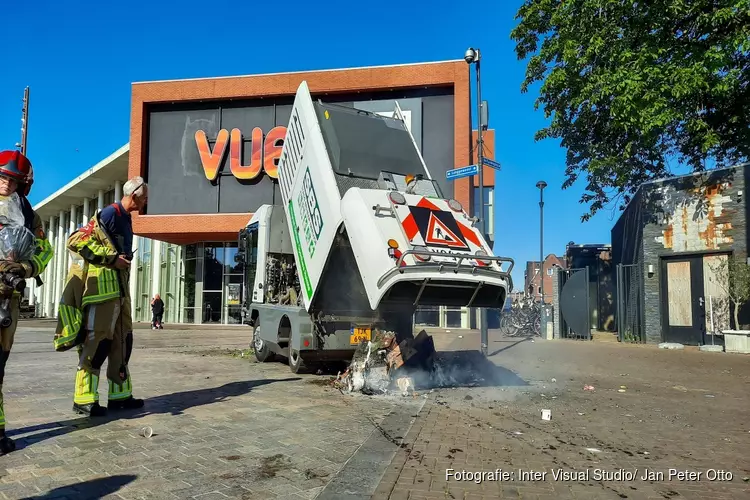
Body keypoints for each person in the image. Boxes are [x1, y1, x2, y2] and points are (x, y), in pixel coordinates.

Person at [67, 177, 148, 417]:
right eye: (144, 198)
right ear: (134, 195)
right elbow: (76, 239)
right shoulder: (110, 214)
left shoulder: (126, 219)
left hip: (121, 291)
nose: (145, 203)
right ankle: (84, 399)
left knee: (123, 341)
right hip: (102, 292)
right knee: (98, 343)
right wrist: (111, 258)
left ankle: (120, 396)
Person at [0, 150, 54, 454]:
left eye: (13, 180)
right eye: (2, 176)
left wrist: (27, 267)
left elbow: (44, 251)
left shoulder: (31, 217)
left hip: (8, 297)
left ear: (23, 184)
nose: (6, 184)